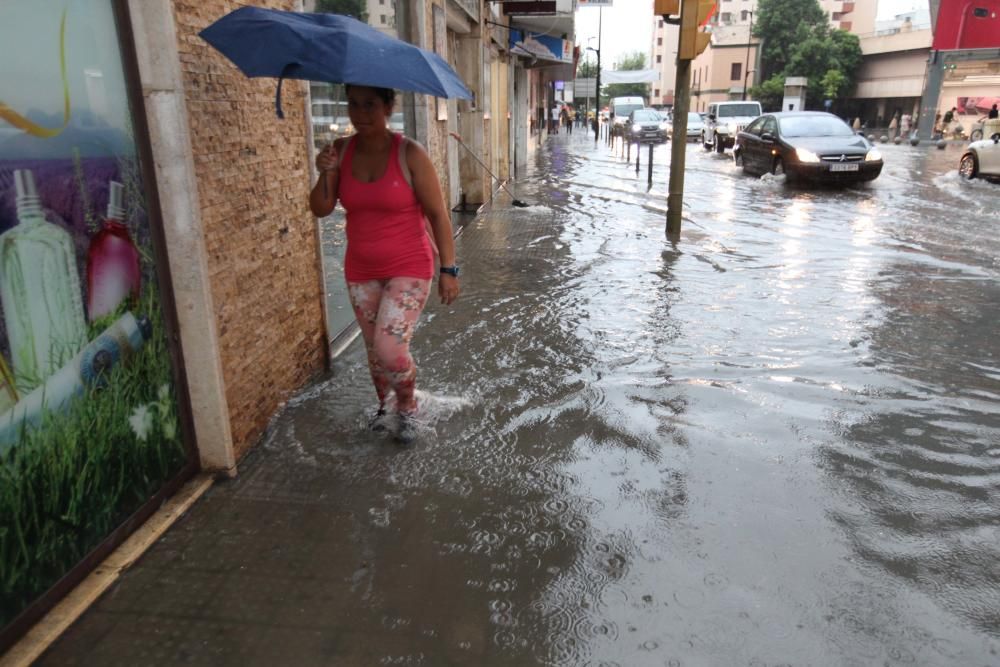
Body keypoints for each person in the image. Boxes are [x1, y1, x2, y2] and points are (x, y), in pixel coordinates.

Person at [309, 85, 460, 444]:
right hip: (360, 268)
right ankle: (384, 406)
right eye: (353, 105)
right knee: (374, 352)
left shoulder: (410, 153)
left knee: (390, 348)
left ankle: (407, 406)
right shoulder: (339, 152)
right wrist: (324, 172)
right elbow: (320, 208)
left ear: (389, 106)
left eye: (370, 105)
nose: (360, 113)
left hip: (409, 264)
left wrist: (449, 270)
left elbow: (438, 215)